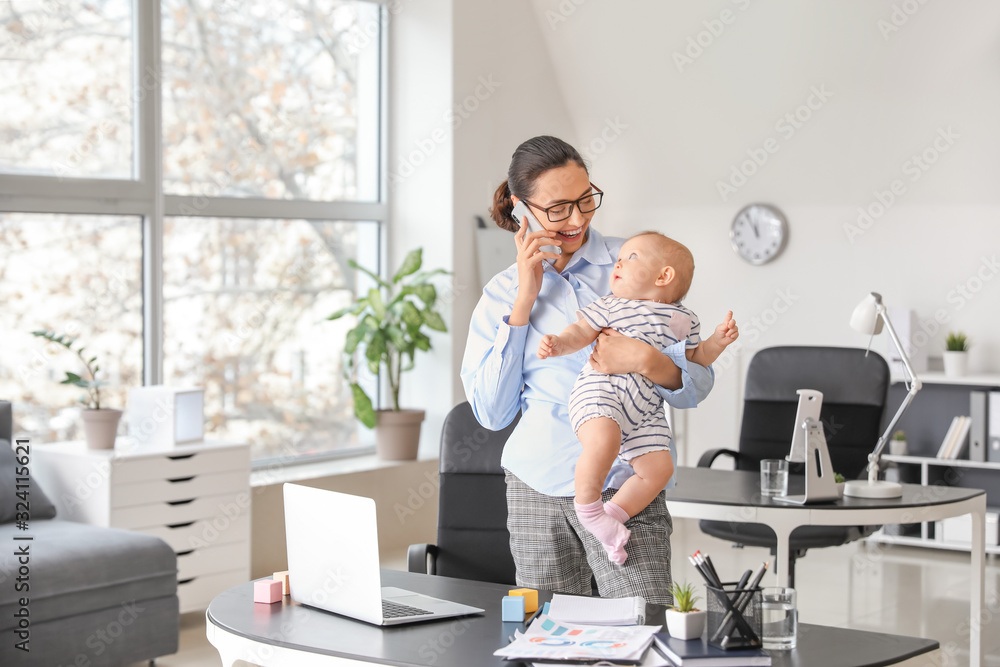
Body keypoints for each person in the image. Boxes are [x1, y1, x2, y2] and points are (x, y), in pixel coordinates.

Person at [461, 135, 716, 605]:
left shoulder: (639, 262)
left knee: (643, 627)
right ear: (523, 210)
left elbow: (696, 385)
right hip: (536, 487)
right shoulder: (501, 292)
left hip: (626, 486)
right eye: (558, 208)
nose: (577, 219)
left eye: (585, 200)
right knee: (547, 639)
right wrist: (524, 299)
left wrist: (646, 360)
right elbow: (492, 414)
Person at [537, 231, 738, 564]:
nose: (618, 262)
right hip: (601, 393)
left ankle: (612, 516)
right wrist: (559, 343)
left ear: (664, 276)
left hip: (645, 410)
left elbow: (696, 358)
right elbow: (580, 332)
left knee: (659, 469)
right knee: (604, 442)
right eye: (619, 257)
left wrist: (717, 341)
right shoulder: (611, 305)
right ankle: (588, 510)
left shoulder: (683, 319)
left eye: (630, 257)